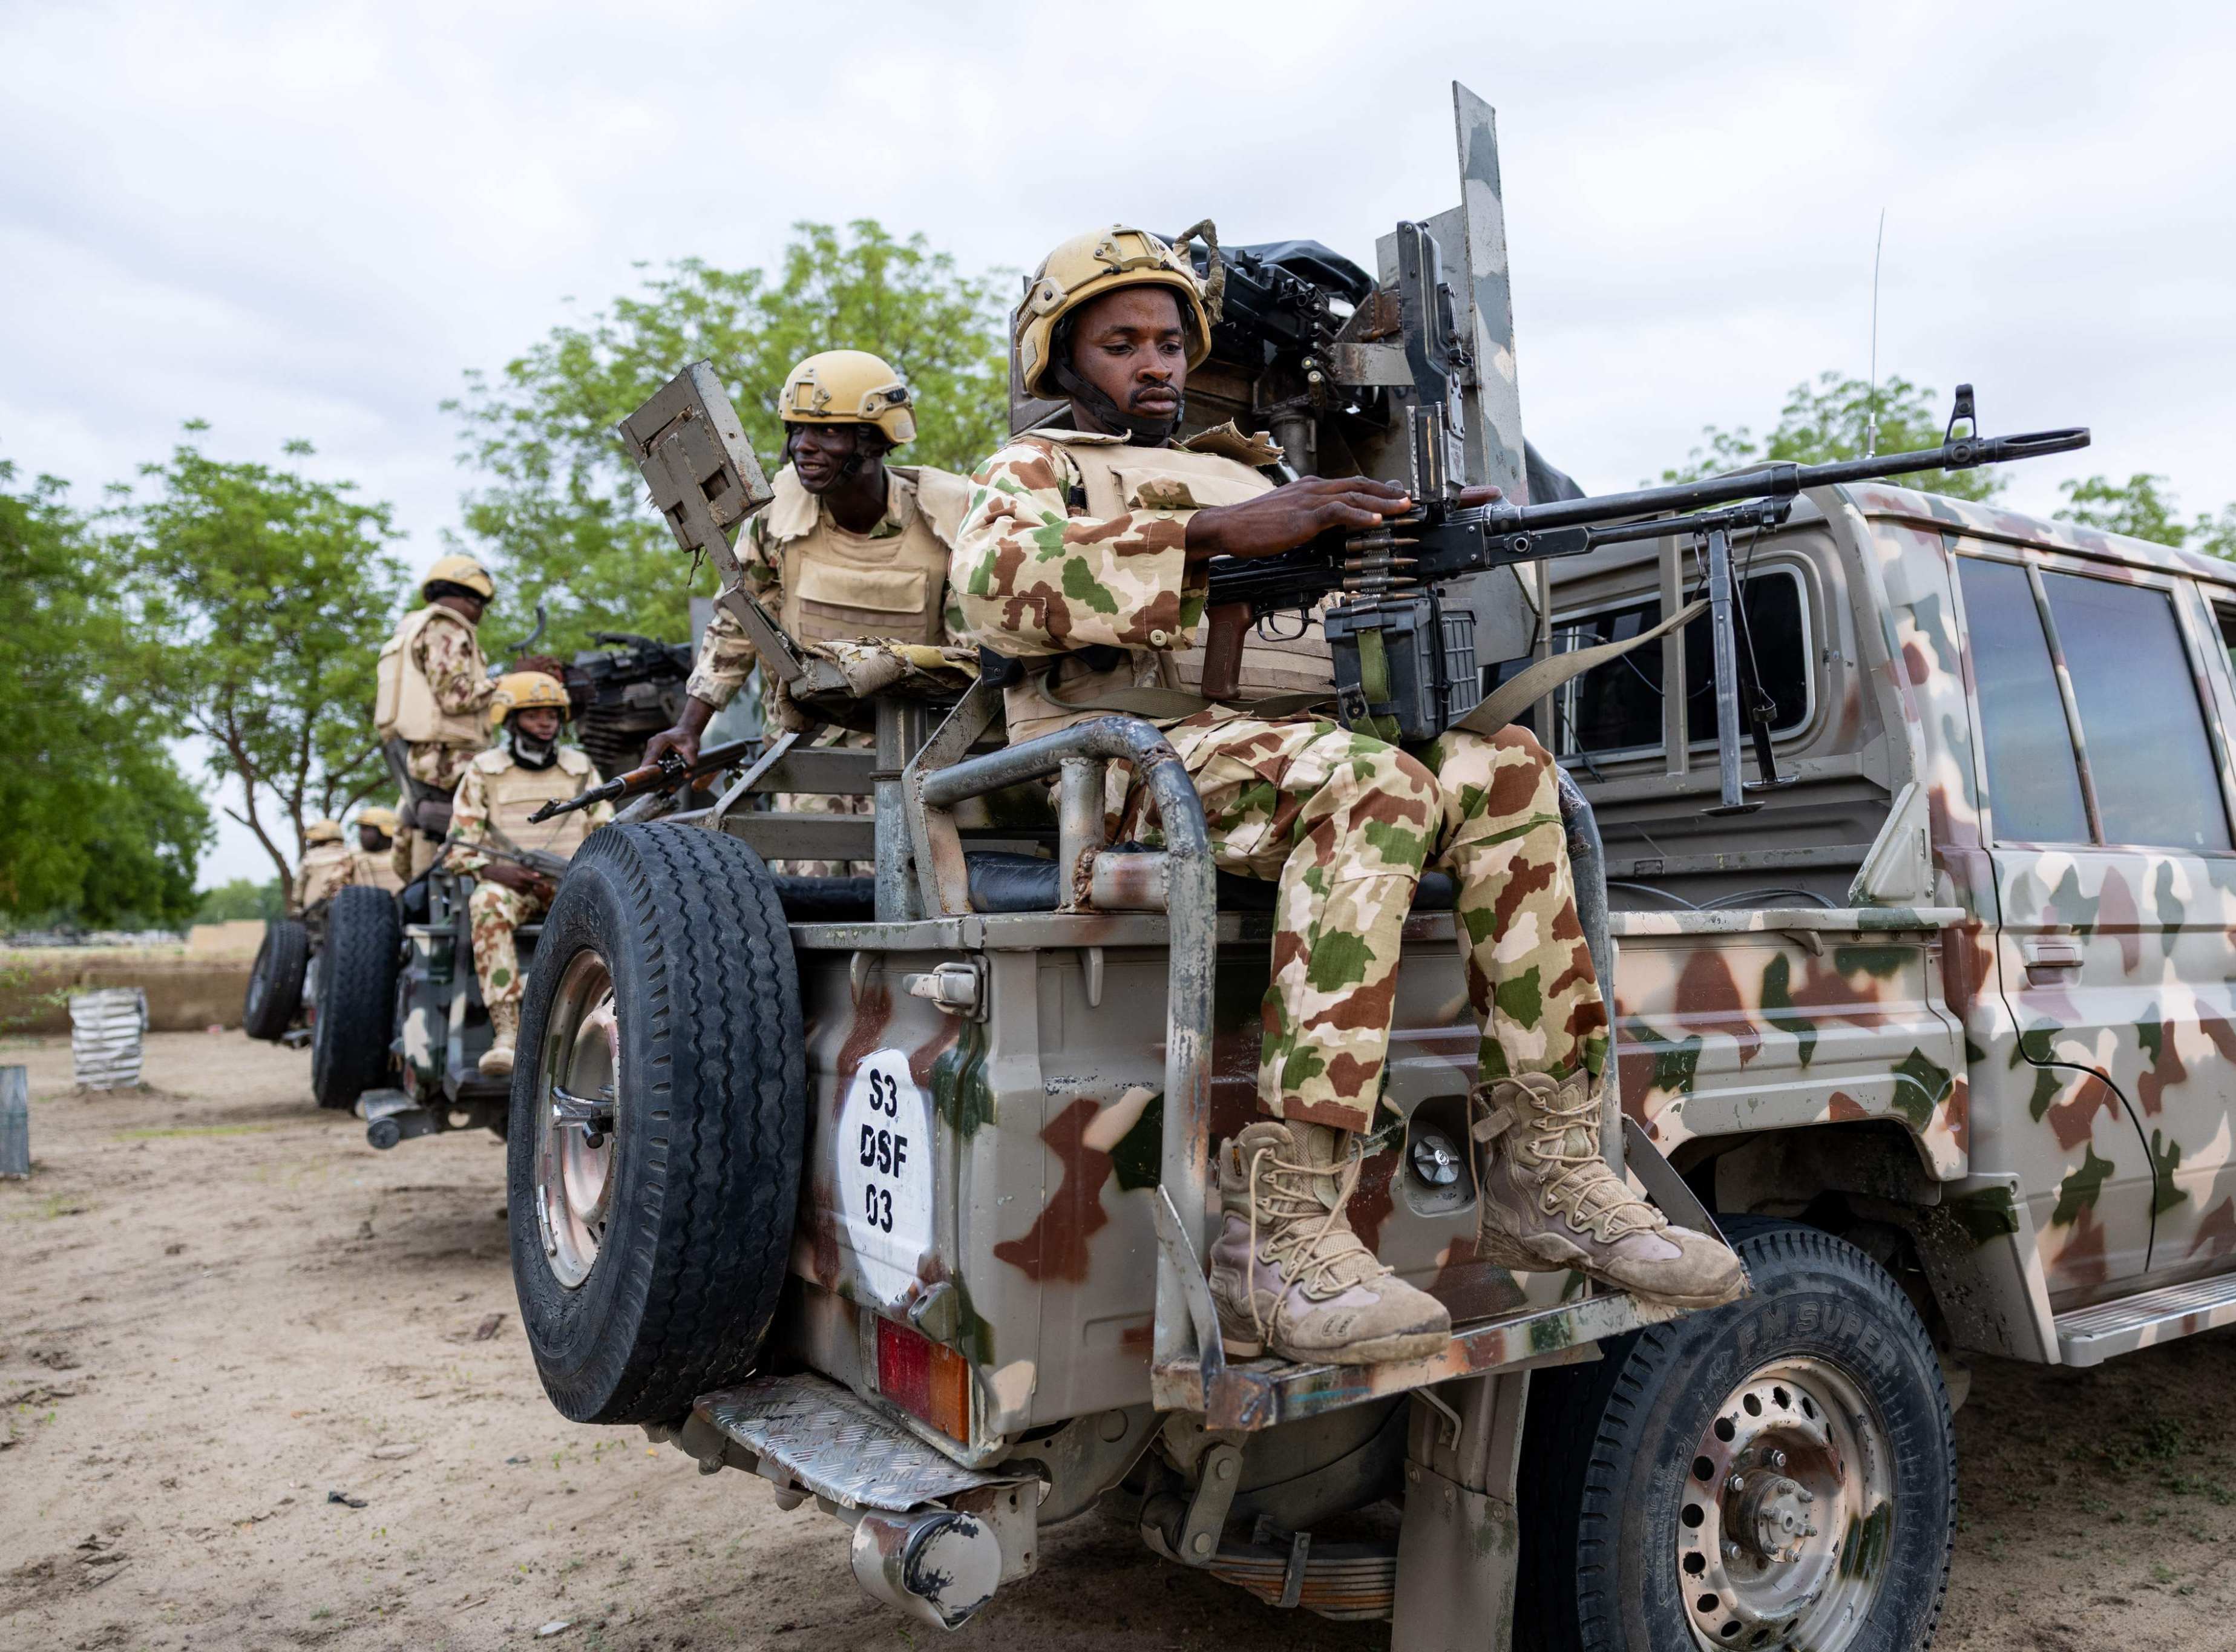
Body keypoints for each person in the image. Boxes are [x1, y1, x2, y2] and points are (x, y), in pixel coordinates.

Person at [949, 225, 1740, 1366]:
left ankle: (1550, 1169)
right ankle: (1281, 1234)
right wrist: (1220, 536)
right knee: (1371, 785)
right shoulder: (1037, 471)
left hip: (1288, 749)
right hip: (1131, 767)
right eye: (1122, 343)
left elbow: (1337, 618)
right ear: (1060, 361)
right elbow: (997, 590)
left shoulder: (1258, 467)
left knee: (1510, 765)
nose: (1156, 364)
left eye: (1171, 342)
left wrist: (1408, 542)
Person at [644, 351, 966, 874]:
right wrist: (689, 728)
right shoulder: (776, 519)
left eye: (828, 434)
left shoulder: (946, 518)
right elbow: (736, 625)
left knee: (915, 896)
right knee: (812, 896)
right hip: (807, 749)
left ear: (874, 439)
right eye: (796, 432)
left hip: (919, 751)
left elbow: (978, 652)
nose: (803, 448)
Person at [438, 672, 612, 1078]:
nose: (546, 722)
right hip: (511, 885)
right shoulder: (484, 770)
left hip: (572, 884)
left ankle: (601, 1029)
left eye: (552, 714)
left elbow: (606, 836)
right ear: (511, 719)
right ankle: (507, 1033)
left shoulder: (580, 768)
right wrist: (496, 871)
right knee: (486, 902)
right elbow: (457, 847)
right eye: (534, 715)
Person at [375, 554, 501, 884]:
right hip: (450, 758)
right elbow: (455, 696)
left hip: (422, 757)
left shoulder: (412, 626)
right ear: (467, 597)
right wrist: (508, 686)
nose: (480, 614)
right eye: (479, 604)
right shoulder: (448, 627)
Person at [291, 818, 354, 913]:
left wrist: (299, 903)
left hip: (315, 912)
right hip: (350, 909)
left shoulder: (310, 857)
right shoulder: (351, 855)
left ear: (319, 839)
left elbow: (300, 885)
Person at [349, 806, 405, 896]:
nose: (361, 834)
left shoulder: (405, 856)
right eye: (361, 829)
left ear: (385, 830)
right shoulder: (350, 860)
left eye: (366, 829)